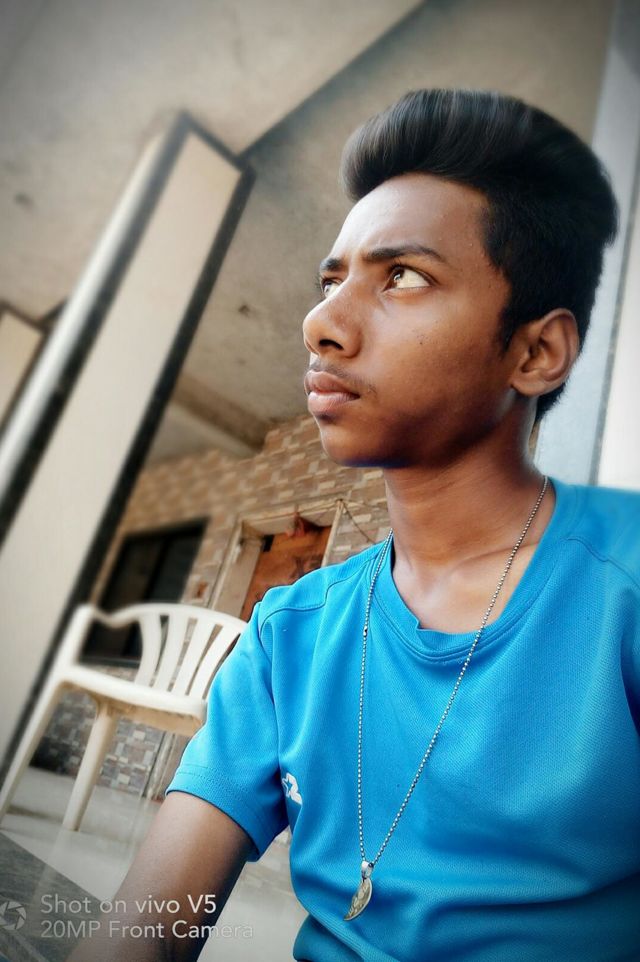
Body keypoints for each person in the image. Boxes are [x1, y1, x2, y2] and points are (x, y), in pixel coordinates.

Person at [68, 89, 640, 962]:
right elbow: (143, 936)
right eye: (331, 281)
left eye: (402, 275)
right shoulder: (290, 634)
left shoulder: (623, 583)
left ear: (535, 352)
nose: (319, 324)